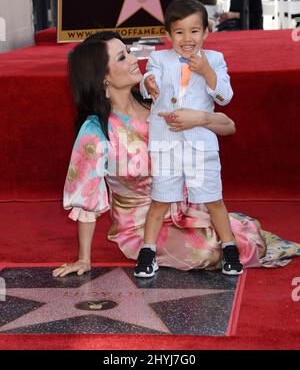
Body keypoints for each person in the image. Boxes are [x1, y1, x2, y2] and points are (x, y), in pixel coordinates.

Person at [52, 31, 300, 278]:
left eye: (128, 52)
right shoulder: (96, 132)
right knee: (207, 252)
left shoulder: (158, 103)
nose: (133, 59)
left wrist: (201, 118)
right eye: (121, 58)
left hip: (186, 206)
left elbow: (229, 126)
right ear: (103, 78)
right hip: (142, 225)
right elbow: (86, 196)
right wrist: (84, 258)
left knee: (235, 240)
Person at [134, 0, 243, 278]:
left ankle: (229, 246)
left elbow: (225, 97)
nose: (187, 38)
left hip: (200, 145)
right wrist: (148, 84)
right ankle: (147, 251)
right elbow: (148, 80)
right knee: (160, 199)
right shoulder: (159, 58)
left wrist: (206, 71)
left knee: (213, 198)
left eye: (194, 31)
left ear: (206, 32)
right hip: (166, 144)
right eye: (179, 32)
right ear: (167, 35)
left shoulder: (215, 60)